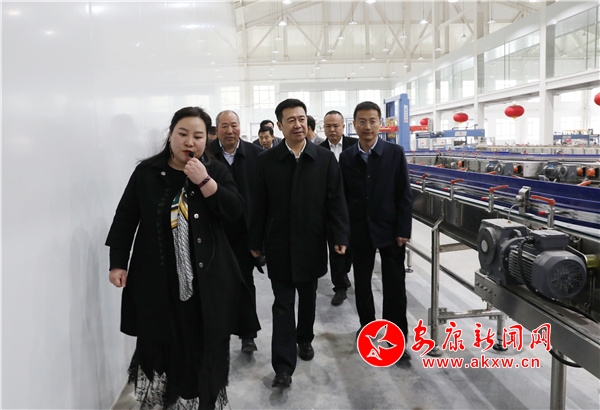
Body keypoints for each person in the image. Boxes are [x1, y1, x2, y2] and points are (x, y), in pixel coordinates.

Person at [105, 106, 259, 409]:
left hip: (206, 285)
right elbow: (125, 218)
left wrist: (205, 182)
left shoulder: (215, 170)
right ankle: (167, 402)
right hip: (158, 282)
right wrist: (118, 262)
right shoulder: (147, 172)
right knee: (163, 346)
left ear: (207, 139)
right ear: (170, 134)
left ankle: (202, 403)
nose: (190, 142)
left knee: (203, 349)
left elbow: (235, 212)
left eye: (198, 136)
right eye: (183, 134)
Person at [249, 99, 349, 389]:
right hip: (279, 244)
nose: (298, 125)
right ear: (279, 126)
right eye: (291, 120)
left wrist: (340, 236)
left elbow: (336, 201)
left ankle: (304, 338)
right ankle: (283, 367)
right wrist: (255, 240)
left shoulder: (324, 159)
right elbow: (259, 205)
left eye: (302, 119)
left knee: (307, 298)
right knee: (282, 304)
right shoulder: (266, 161)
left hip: (311, 242)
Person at [339, 101, 413, 361]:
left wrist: (403, 228)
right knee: (362, 283)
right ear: (354, 125)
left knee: (395, 286)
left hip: (391, 230)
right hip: (359, 230)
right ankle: (368, 327)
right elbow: (343, 197)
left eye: (372, 121)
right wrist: (344, 231)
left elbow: (404, 193)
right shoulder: (347, 157)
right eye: (362, 121)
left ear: (381, 124)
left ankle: (396, 338)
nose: (367, 126)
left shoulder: (394, 153)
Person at [208, 109, 263, 353]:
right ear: (216, 130)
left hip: (245, 233)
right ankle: (216, 334)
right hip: (214, 232)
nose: (230, 131)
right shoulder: (206, 155)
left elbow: (263, 199)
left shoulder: (256, 154)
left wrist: (258, 238)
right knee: (215, 286)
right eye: (224, 126)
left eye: (234, 125)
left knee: (244, 283)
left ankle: (247, 334)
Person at [320, 110, 358, 306]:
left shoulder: (356, 146)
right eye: (328, 126)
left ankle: (345, 273)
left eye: (336, 126)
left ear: (343, 126)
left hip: (353, 206)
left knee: (350, 247)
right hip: (330, 208)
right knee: (335, 247)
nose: (332, 129)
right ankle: (340, 286)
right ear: (323, 128)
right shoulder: (318, 150)